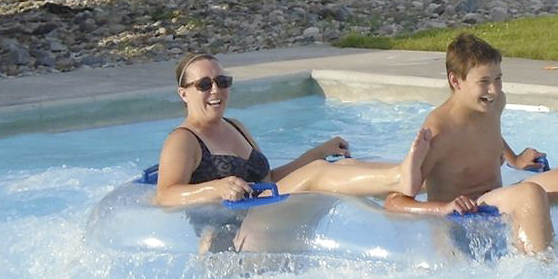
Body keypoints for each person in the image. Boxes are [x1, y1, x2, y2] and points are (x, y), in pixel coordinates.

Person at [383, 33, 558, 254]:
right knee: (529, 194)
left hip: (495, 200)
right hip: (465, 219)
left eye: (498, 79)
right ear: (456, 81)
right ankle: (543, 274)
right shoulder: (438, 129)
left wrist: (514, 159)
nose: (494, 90)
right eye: (484, 82)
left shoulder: (492, 104)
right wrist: (444, 208)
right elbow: (395, 202)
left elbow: (485, 134)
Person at [155, 52, 428, 211]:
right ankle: (401, 178)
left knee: (341, 165)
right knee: (317, 173)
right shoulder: (183, 139)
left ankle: (428, 179)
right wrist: (215, 188)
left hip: (265, 210)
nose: (216, 90)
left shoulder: (235, 126)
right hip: (234, 233)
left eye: (222, 81)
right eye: (204, 85)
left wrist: (315, 153)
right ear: (183, 93)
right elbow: (165, 195)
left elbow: (269, 179)